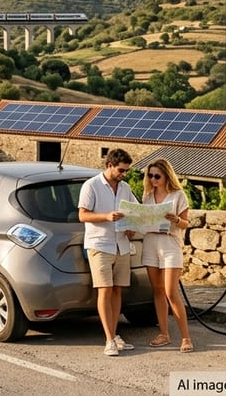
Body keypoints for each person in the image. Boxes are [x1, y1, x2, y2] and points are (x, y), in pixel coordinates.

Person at [79, 148, 138, 356]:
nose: (124, 174)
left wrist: (132, 226)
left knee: (118, 290)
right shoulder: (91, 186)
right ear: (110, 165)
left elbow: (134, 212)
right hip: (100, 245)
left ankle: (114, 334)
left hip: (121, 245)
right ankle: (109, 340)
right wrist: (106, 216)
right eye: (122, 170)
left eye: (126, 171)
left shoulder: (126, 188)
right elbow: (83, 215)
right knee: (104, 289)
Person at [142, 158, 194, 353]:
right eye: (150, 175)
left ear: (166, 176)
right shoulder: (147, 195)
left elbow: (186, 223)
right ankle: (164, 333)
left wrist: (177, 219)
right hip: (150, 241)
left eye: (157, 176)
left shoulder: (178, 195)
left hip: (170, 242)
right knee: (157, 290)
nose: (153, 179)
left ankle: (186, 337)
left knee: (171, 291)